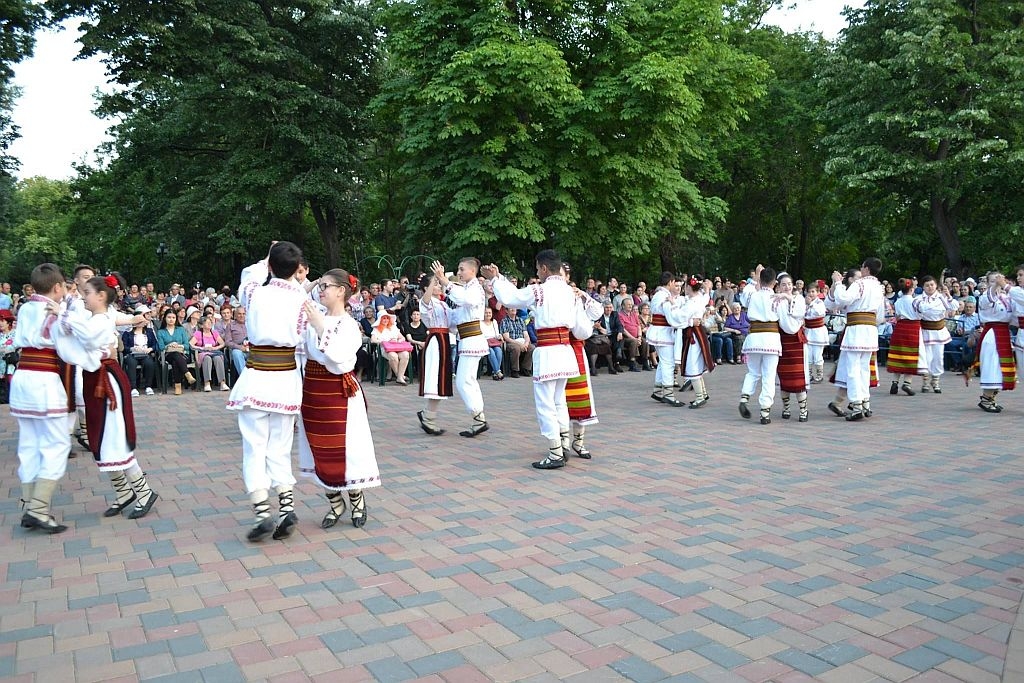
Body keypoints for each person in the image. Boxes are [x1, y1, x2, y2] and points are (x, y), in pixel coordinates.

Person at [56, 276, 159, 520]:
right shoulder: (101, 317)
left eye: (87, 292)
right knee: (101, 436)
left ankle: (144, 492)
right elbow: (116, 321)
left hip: (106, 381)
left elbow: (86, 337)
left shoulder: (101, 320)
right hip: (98, 379)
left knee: (112, 435)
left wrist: (63, 314)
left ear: (101, 296)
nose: (84, 297)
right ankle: (124, 493)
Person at [226, 241, 309, 542]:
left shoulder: (255, 291)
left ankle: (262, 511)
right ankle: (286, 506)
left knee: (254, 446)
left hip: (258, 376)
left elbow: (248, 275)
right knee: (280, 445)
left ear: (271, 266)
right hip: (286, 378)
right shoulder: (302, 297)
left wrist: (267, 257)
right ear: (297, 270)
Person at [298, 269, 380, 529]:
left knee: (346, 447)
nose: (320, 290)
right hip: (312, 390)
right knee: (316, 446)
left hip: (338, 393)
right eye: (320, 285)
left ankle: (356, 498)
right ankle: (335, 501)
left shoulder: (348, 324)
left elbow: (341, 359)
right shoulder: (315, 317)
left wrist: (320, 327)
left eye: (326, 286)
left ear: (341, 291)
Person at [484, 250, 582, 468]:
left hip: (548, 351)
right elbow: (579, 326)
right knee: (559, 400)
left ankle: (556, 451)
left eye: (538, 268)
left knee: (545, 402)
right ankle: (563, 442)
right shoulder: (570, 291)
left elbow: (512, 298)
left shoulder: (540, 290)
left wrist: (495, 279)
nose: (537, 272)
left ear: (544, 268)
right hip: (565, 350)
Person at [9, 264, 74, 533]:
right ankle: (38, 509)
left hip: (22, 378)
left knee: (29, 444)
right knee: (57, 443)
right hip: (44, 380)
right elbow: (69, 345)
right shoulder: (55, 312)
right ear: (57, 287)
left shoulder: (24, 307)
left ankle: (30, 507)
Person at [431, 258, 489, 437]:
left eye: (462, 269)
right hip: (467, 338)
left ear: (473, 271)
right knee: (468, 380)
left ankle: (478, 417)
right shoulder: (466, 289)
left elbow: (466, 301)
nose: (459, 272)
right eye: (458, 269)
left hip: (472, 339)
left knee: (464, 380)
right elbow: (458, 315)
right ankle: (479, 418)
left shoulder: (474, 289)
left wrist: (445, 282)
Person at [827, 258, 886, 421]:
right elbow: (880, 316)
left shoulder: (860, 284)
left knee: (853, 368)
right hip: (870, 329)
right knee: (864, 368)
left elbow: (843, 299)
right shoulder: (879, 288)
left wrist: (838, 283)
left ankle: (856, 404)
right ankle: (865, 402)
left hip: (856, 329)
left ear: (866, 269)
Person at [737, 265, 783, 424]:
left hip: (755, 338)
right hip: (771, 339)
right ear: (775, 282)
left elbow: (744, 294)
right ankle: (765, 411)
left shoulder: (752, 295)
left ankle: (744, 397)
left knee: (753, 372)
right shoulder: (777, 298)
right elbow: (785, 322)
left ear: (760, 280)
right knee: (769, 375)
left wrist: (756, 276)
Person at [415, 273, 454, 435]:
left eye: (438, 284)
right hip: (436, 340)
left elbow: (453, 324)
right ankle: (428, 417)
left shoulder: (443, 305)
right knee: (435, 379)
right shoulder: (426, 302)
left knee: (441, 380)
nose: (439, 286)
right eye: (435, 284)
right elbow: (424, 302)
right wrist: (432, 282)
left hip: (444, 340)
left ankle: (428, 416)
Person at [975, 271, 1017, 413]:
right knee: (992, 365)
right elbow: (989, 300)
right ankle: (986, 398)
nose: (997, 283)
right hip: (992, 334)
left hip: (1004, 333)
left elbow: (1014, 316)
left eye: (1000, 280)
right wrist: (995, 286)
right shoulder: (984, 297)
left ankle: (992, 398)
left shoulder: (1006, 298)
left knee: (1000, 367)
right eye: (993, 281)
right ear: (987, 283)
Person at [913, 276, 958, 394]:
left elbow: (954, 307)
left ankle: (936, 381)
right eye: (927, 285)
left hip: (939, 331)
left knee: (938, 357)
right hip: (925, 331)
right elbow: (922, 309)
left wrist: (948, 296)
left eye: (932, 285)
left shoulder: (942, 297)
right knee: (926, 357)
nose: (930, 287)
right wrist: (938, 302)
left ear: (936, 286)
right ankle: (925, 381)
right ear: (923, 287)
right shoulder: (918, 299)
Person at [648, 272, 686, 406]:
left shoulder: (659, 294)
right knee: (668, 363)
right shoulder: (664, 296)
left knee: (663, 362)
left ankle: (658, 391)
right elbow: (672, 316)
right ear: (670, 282)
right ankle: (668, 394)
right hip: (663, 332)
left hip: (659, 331)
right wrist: (682, 321)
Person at [678, 276, 715, 408]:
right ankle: (702, 394)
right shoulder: (699, 298)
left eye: (685, 286)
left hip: (693, 334)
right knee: (696, 362)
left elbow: (680, 318)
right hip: (698, 333)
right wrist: (707, 288)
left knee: (692, 363)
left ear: (689, 287)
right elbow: (706, 297)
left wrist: (672, 306)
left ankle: (700, 396)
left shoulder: (691, 302)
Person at [776, 273, 808, 422]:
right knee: (784, 376)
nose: (787, 287)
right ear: (778, 286)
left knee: (798, 376)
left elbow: (799, 313)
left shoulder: (799, 299)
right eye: (784, 284)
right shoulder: (775, 300)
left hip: (796, 341)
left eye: (789, 284)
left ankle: (803, 410)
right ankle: (786, 408)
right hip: (782, 340)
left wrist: (789, 299)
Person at [885, 278, 925, 396]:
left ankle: (895, 382)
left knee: (899, 355)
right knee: (911, 356)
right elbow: (922, 312)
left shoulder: (898, 302)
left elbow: (897, 316)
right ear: (912, 289)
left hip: (900, 328)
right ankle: (907, 383)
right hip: (913, 329)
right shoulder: (916, 301)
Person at [156, 309, 196, 394]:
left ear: (176, 319)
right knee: (175, 355)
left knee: (176, 360)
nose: (171, 319)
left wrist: (179, 345)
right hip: (167, 355)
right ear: (165, 318)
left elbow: (187, 345)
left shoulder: (181, 329)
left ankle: (178, 387)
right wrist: (169, 345)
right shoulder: (160, 332)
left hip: (183, 354)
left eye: (173, 317)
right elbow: (161, 347)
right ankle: (187, 374)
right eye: (169, 317)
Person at [121, 306, 158, 396]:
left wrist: (150, 349)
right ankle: (133, 388)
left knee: (149, 362)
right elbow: (123, 347)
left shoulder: (149, 331)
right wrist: (131, 348)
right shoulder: (127, 333)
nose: (139, 322)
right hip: (132, 354)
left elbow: (156, 344)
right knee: (131, 363)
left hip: (145, 353)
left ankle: (148, 386)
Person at [191, 315, 230, 391]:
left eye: (210, 322)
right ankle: (207, 383)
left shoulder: (214, 333)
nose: (209, 324)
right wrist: (201, 348)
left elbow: (222, 343)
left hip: (213, 352)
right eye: (207, 322)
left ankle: (222, 383)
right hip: (203, 353)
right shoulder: (198, 333)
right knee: (207, 358)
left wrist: (215, 347)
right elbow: (191, 344)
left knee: (218, 358)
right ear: (201, 325)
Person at [371, 312, 411, 385]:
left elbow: (402, 337)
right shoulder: (376, 329)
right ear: (380, 319)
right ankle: (400, 376)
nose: (386, 320)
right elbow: (373, 340)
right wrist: (383, 342)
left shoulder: (393, 327)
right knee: (393, 356)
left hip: (397, 347)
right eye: (384, 318)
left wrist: (398, 340)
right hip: (385, 349)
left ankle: (400, 376)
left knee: (405, 354)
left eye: (387, 318)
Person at [803, 283, 828, 383]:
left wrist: (810, 304)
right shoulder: (805, 303)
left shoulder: (820, 303)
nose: (811, 294)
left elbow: (820, 312)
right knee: (808, 356)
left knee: (817, 355)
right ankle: (808, 375)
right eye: (809, 292)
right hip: (808, 332)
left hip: (818, 332)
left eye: (813, 291)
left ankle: (819, 376)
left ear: (817, 292)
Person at [499, 305, 534, 378]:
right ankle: (515, 370)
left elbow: (526, 335)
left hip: (522, 341)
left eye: (514, 307)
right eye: (511, 308)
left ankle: (525, 369)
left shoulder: (521, 320)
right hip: (511, 342)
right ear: (506, 311)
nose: (513, 309)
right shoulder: (504, 321)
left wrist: (526, 343)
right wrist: (519, 344)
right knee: (516, 348)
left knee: (532, 347)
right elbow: (507, 338)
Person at [481, 307, 504, 380]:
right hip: (484, 342)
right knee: (491, 352)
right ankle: (497, 372)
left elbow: (497, 334)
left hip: (494, 341)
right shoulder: (480, 322)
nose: (488, 314)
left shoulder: (494, 322)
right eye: (486, 313)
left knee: (498, 351)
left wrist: (500, 336)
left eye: (489, 313)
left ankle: (495, 373)